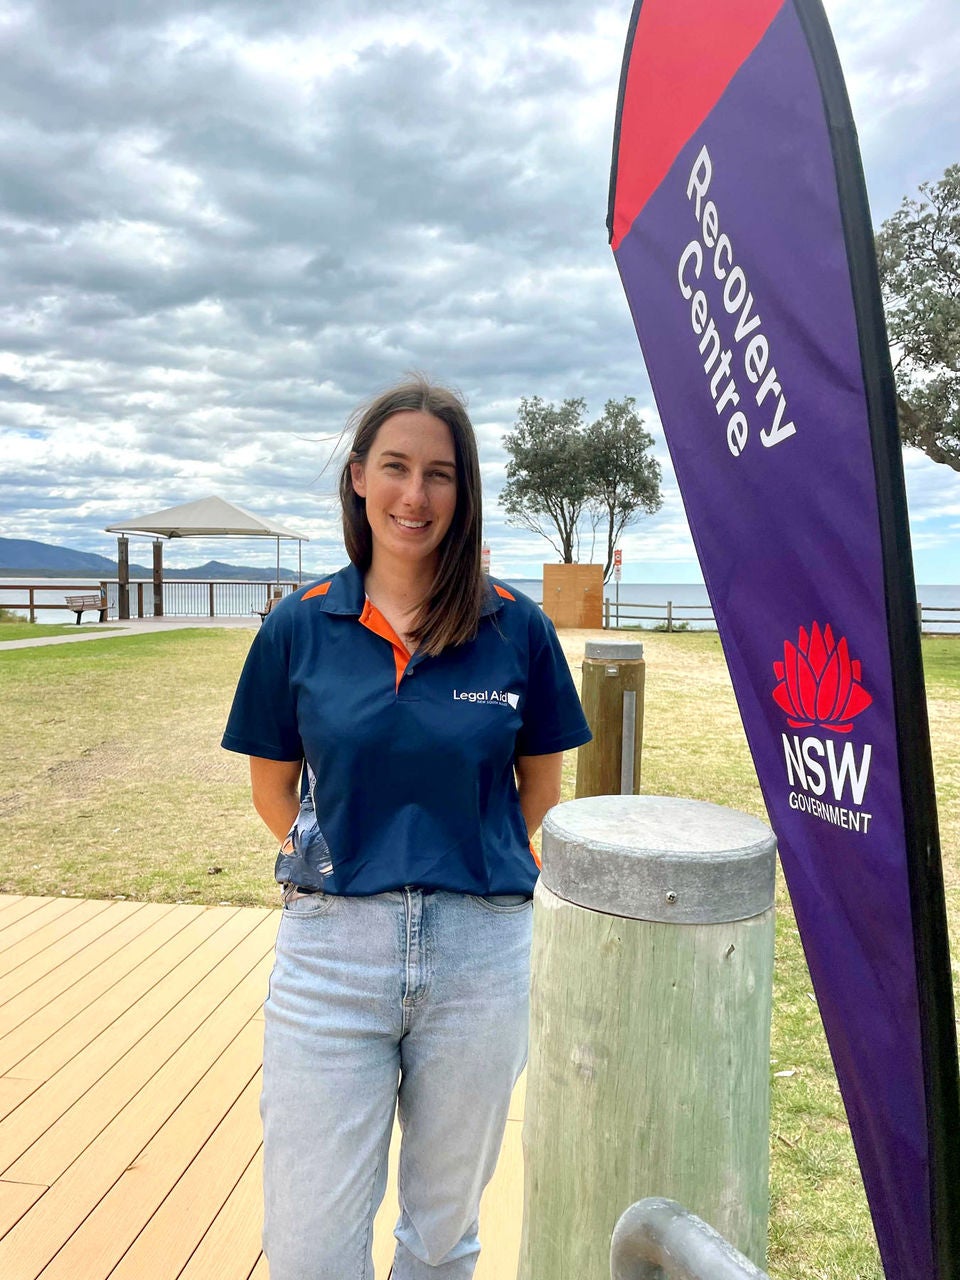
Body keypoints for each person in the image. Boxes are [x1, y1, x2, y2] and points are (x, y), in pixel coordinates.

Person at [222, 377, 591, 1279]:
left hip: (481, 955)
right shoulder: (300, 625)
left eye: (439, 474)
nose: (414, 495)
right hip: (331, 955)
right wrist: (332, 858)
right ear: (358, 478)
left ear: (463, 494)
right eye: (394, 467)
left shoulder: (518, 629)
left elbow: (539, 790)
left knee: (440, 1239)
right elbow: (275, 792)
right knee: (311, 1246)